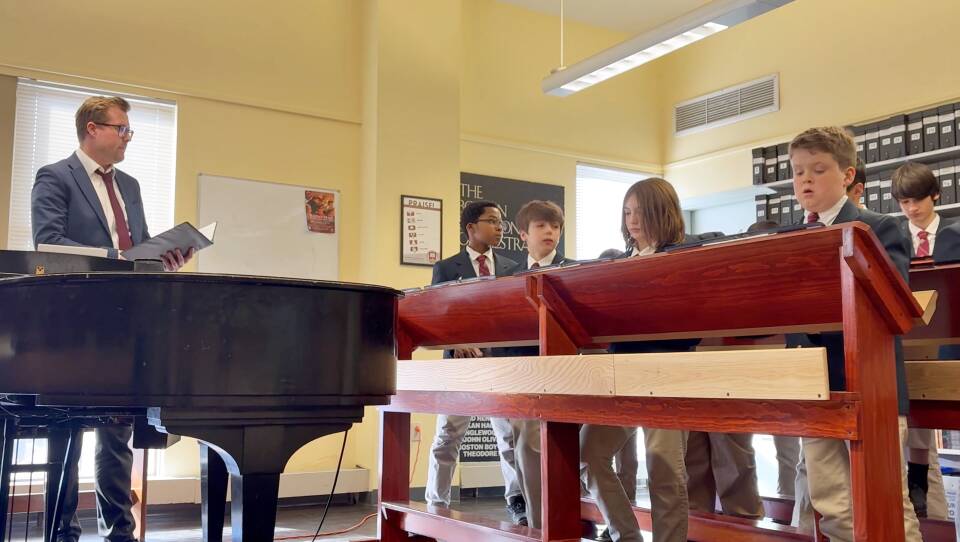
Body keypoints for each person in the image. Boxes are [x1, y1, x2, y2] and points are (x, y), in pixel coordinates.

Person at [31, 96, 192, 542]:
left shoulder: (132, 186)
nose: (127, 138)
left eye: (129, 130)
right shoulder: (54, 177)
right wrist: (114, 256)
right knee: (67, 431)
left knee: (117, 432)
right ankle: (62, 531)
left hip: (126, 321)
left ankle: (119, 531)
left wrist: (164, 257)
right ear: (92, 129)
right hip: (73, 322)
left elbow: (136, 251)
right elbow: (48, 243)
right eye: (121, 129)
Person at [785, 126, 920, 542]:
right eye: (797, 172)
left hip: (869, 386)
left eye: (818, 170)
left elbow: (890, 306)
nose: (805, 179)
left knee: (886, 503)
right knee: (833, 504)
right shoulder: (788, 237)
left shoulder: (878, 227)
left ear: (847, 175)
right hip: (812, 388)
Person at [580, 178, 698, 542]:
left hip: (667, 374)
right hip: (622, 373)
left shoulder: (684, 255)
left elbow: (692, 325)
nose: (632, 220)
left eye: (640, 212)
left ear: (661, 212)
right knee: (587, 453)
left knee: (665, 469)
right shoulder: (618, 262)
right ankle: (625, 535)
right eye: (627, 212)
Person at [424, 200, 528, 524]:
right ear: (471, 227)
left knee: (509, 437)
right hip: (461, 366)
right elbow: (436, 316)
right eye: (492, 221)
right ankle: (436, 505)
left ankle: (517, 500)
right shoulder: (446, 268)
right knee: (447, 437)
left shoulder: (513, 267)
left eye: (502, 222)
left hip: (501, 365)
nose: (499, 227)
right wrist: (456, 342)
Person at [497, 200, 572, 529]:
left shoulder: (575, 269)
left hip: (564, 373)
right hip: (522, 373)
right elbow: (500, 331)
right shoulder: (508, 278)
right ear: (523, 233)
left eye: (555, 226)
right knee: (524, 445)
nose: (550, 232)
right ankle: (538, 521)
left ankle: (570, 515)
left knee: (568, 448)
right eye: (542, 226)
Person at [892, 161, 953, 520]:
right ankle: (917, 494)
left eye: (918, 200)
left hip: (947, 343)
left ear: (935, 195)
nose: (912, 209)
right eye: (904, 203)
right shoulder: (892, 235)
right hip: (907, 342)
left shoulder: (955, 233)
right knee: (912, 426)